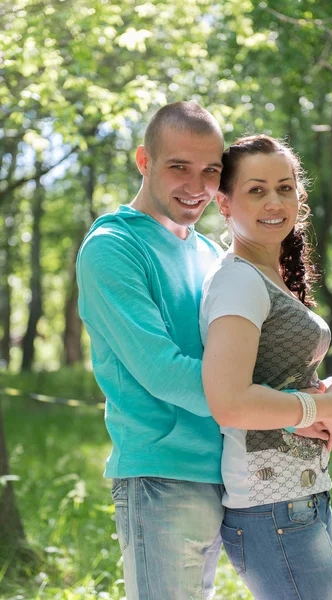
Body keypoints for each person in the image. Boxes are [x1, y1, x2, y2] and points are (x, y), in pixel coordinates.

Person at [76, 102, 227, 600]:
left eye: (211, 171)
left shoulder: (211, 254)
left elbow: (245, 355)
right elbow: (162, 372)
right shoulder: (113, 246)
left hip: (229, 474)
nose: (197, 185)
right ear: (144, 161)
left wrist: (309, 387)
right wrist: (286, 411)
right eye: (178, 166)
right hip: (161, 477)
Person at [200, 135, 332, 600]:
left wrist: (327, 392)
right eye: (257, 189)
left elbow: (278, 380)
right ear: (224, 204)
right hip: (272, 507)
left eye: (285, 188)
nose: (275, 201)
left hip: (296, 498)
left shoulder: (267, 279)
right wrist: (316, 407)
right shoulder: (238, 282)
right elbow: (229, 402)